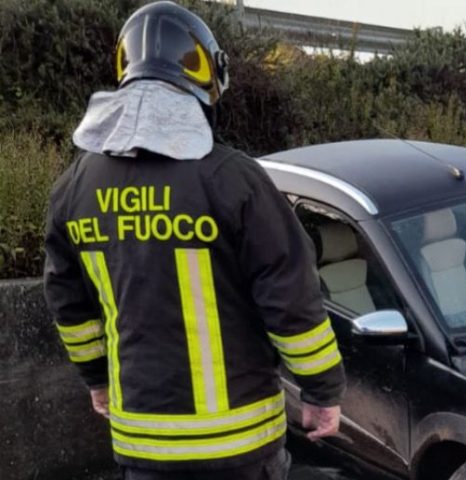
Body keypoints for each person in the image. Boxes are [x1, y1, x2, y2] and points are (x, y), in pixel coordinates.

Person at [43, 2, 345, 479]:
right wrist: (322, 393)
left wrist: (96, 380)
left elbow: (70, 308)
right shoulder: (233, 179)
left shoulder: (74, 189)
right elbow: (291, 297)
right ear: (206, 77)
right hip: (241, 447)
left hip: (143, 446)